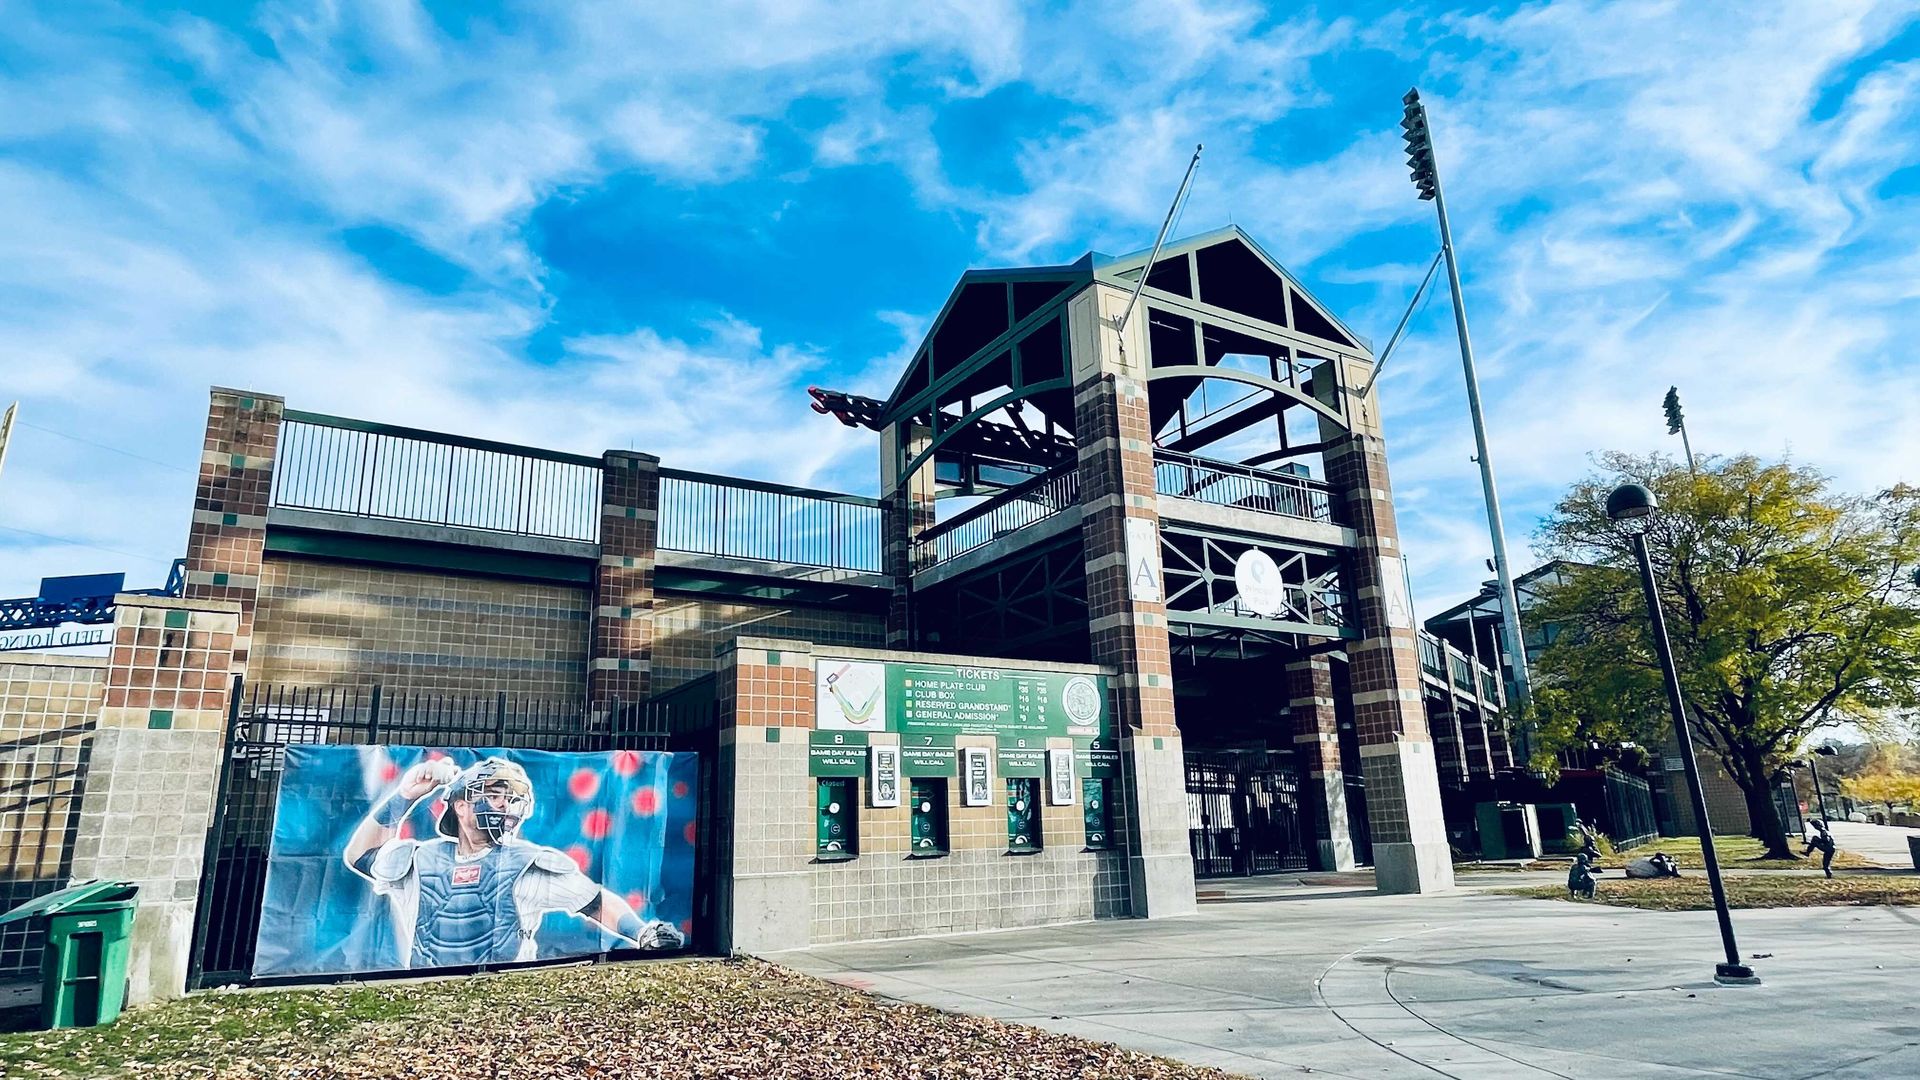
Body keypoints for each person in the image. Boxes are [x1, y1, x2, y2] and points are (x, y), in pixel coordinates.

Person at [343, 755, 683, 969]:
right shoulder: (421, 858)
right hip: (428, 991)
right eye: (492, 796)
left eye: (510, 799)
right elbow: (359, 855)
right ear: (461, 806)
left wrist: (642, 932)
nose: (503, 805)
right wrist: (405, 795)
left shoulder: (528, 862)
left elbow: (595, 902)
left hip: (505, 992)